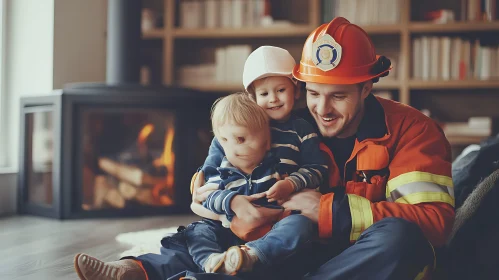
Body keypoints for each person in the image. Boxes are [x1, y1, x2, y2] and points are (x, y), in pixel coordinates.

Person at [73, 17, 455, 280]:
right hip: (288, 246)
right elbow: (232, 149)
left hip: (351, 256)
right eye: (314, 93)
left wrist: (326, 209)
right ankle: (136, 271)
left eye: (338, 96)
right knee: (213, 236)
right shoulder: (293, 124)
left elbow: (434, 223)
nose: (322, 109)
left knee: (401, 241)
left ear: (367, 87)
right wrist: (207, 191)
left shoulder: (413, 130)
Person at [181, 92, 319, 276]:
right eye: (224, 141)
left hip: (270, 231)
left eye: (241, 139)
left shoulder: (276, 168)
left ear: (267, 142)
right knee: (195, 231)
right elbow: (208, 197)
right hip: (228, 229)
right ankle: (212, 262)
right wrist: (232, 201)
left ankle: (251, 256)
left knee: (300, 225)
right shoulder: (223, 168)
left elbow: (307, 181)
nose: (232, 149)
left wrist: (289, 188)